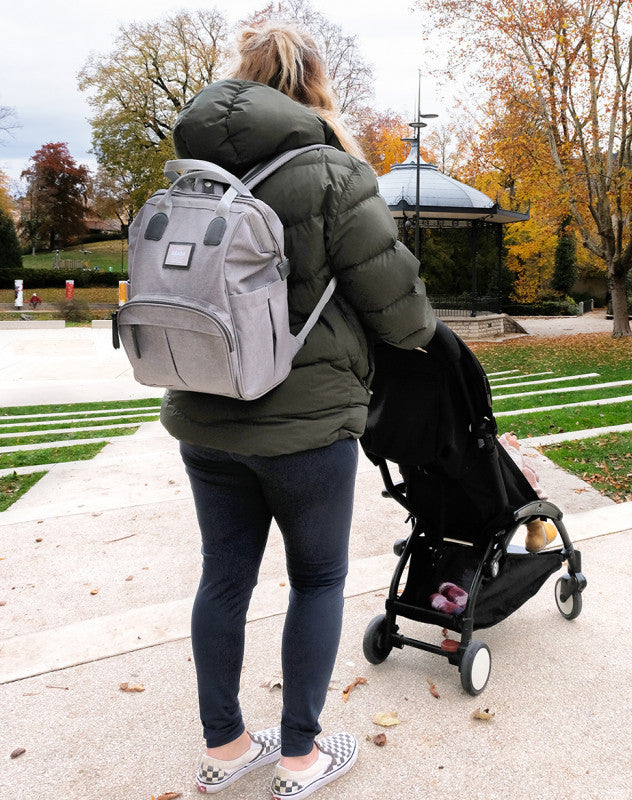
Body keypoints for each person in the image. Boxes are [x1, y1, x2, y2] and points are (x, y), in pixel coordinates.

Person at [159, 20, 436, 800]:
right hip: (305, 423)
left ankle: (227, 748)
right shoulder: (330, 174)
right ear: (314, 83)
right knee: (316, 579)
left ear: (240, 79)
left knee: (223, 578)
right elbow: (401, 310)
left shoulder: (190, 168)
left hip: (204, 410)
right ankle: (302, 759)